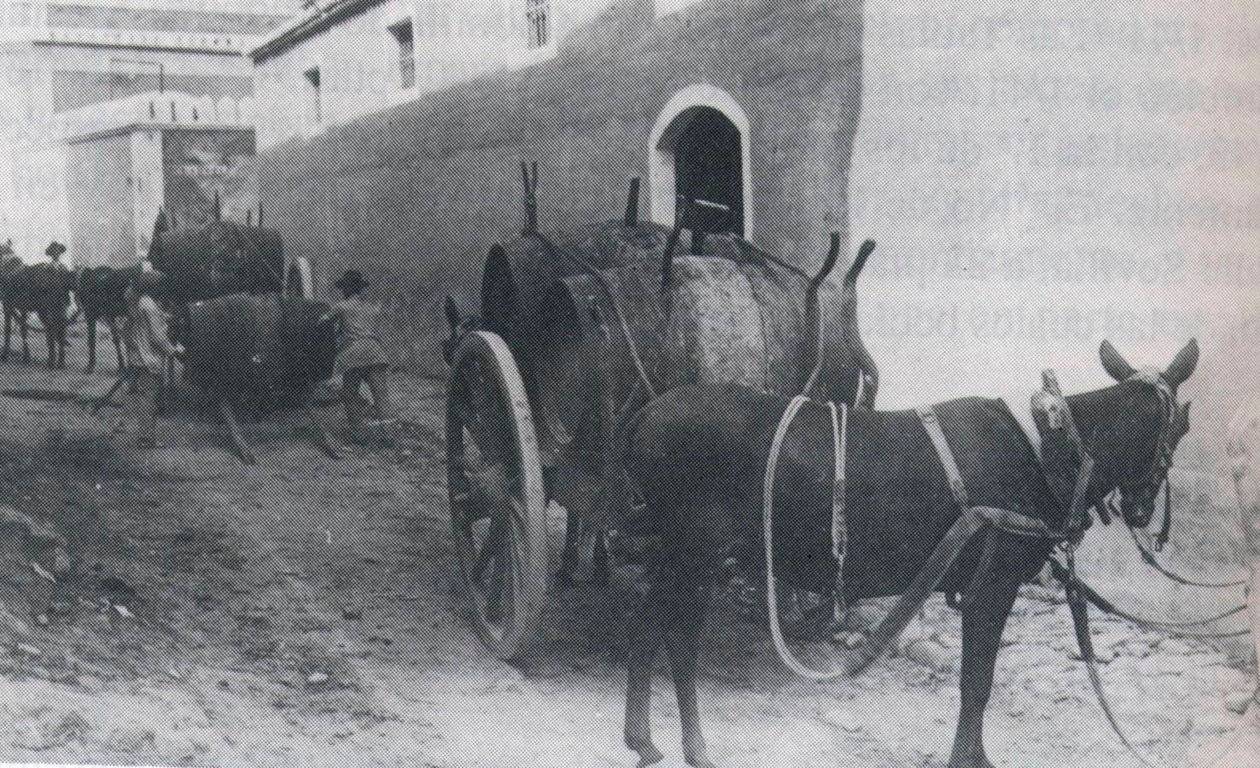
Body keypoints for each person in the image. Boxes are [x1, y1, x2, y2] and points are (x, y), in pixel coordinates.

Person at [320, 269, 392, 439]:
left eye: (344, 288)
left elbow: (322, 321)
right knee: (381, 396)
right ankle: (389, 436)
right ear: (360, 289)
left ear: (347, 289)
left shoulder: (342, 306)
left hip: (355, 353)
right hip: (375, 352)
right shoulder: (370, 308)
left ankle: (359, 435)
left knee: (349, 394)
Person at [121, 270, 180, 448]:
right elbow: (157, 336)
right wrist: (173, 351)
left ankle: (147, 437)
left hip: (139, 357)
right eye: (160, 287)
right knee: (149, 399)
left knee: (145, 396)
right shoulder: (151, 306)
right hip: (149, 358)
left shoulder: (143, 302)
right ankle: (146, 439)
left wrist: (166, 318)